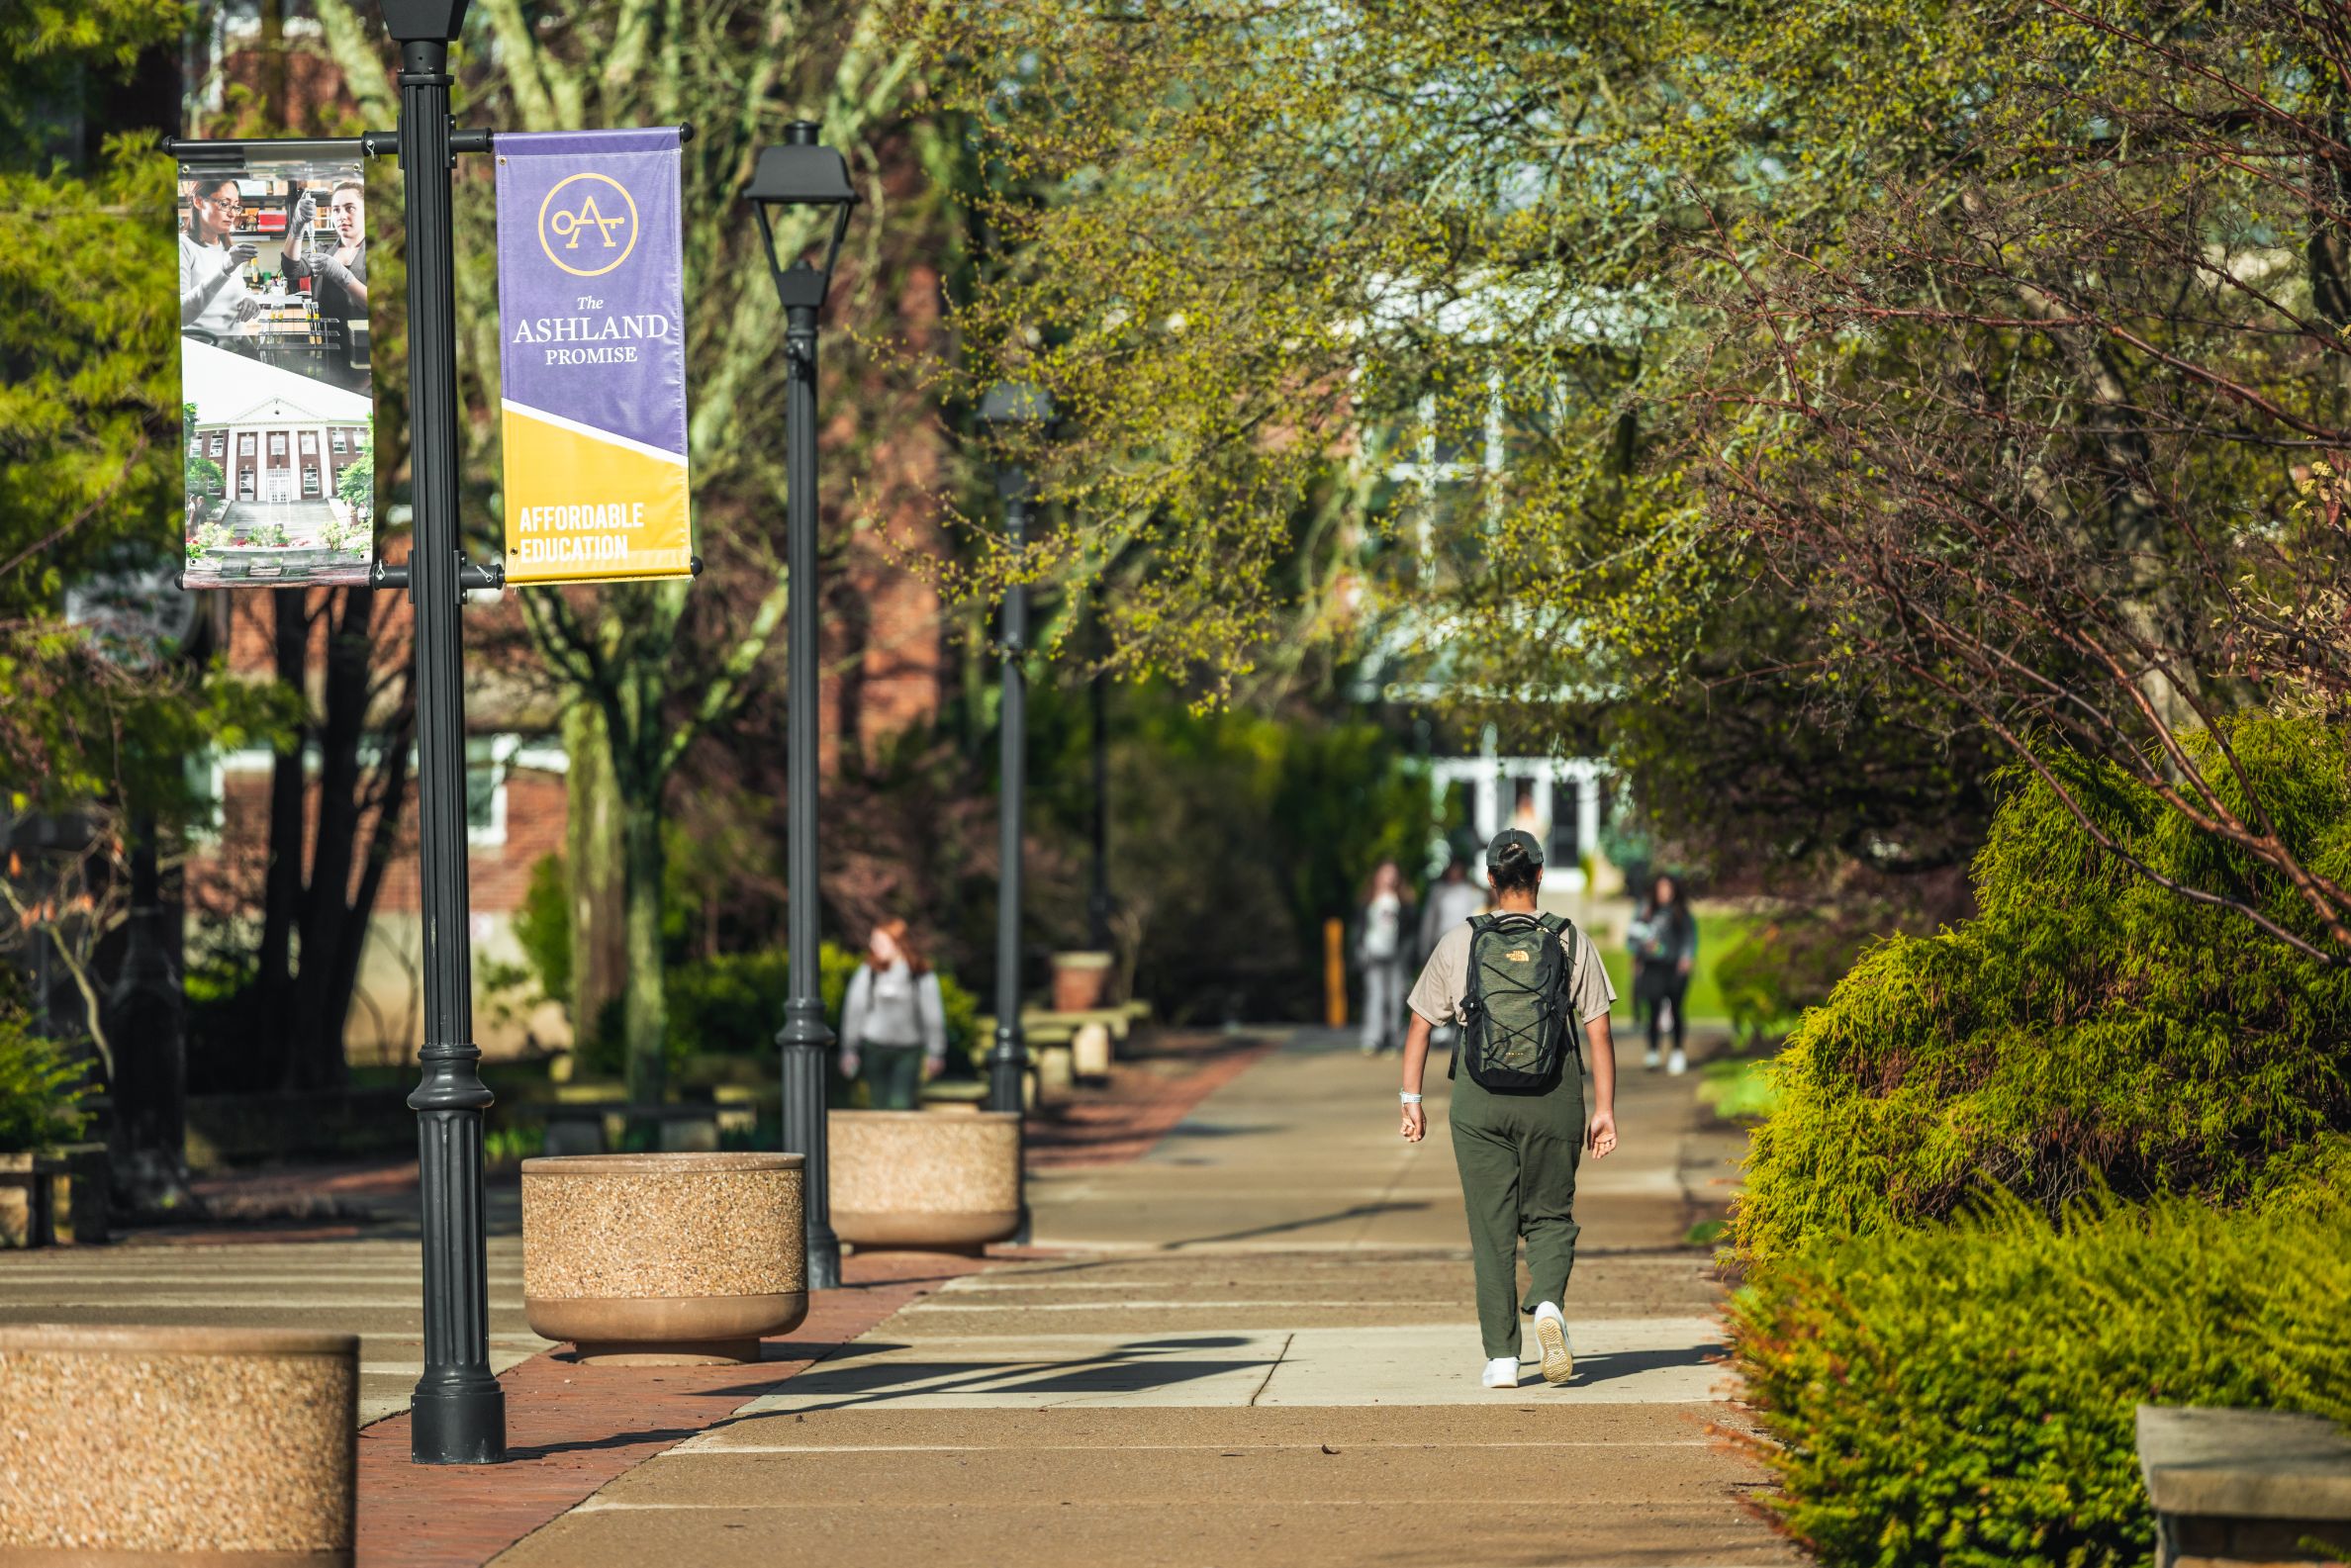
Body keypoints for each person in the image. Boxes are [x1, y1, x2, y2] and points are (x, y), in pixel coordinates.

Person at [1398, 829, 1618, 1390]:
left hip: (1480, 1100)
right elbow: (1598, 1029)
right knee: (1550, 1215)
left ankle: (1501, 1358)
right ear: (1539, 875)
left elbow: (1420, 1024)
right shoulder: (1570, 939)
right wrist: (1605, 1110)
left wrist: (1411, 1100)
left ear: (1491, 879)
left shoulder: (1461, 941)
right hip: (1554, 1096)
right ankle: (1547, 1303)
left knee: (1491, 1229)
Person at [838, 918, 948, 1110]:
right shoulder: (869, 971)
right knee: (877, 1104)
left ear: (898, 943)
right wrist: (849, 1049)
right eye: (873, 941)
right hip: (874, 1048)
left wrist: (935, 1052)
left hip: (908, 1050)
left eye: (880, 942)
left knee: (900, 1105)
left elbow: (933, 1014)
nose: (873, 946)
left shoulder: (919, 973)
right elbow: (855, 1009)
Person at [280, 180, 368, 387]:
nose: (341, 216)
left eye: (350, 208)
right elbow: (291, 269)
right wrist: (297, 226)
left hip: (366, 359)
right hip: (329, 354)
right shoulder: (323, 250)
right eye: (336, 210)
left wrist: (342, 275)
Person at [1628, 874, 1697, 1074]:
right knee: (1653, 1009)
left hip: (1674, 968)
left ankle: (1677, 1051)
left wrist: (1686, 957)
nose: (1665, 892)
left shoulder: (1680, 912)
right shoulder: (1645, 910)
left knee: (1676, 1009)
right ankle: (1653, 1050)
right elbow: (1632, 937)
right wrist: (1641, 950)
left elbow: (1689, 937)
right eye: (1661, 888)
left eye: (1668, 888)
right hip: (1652, 967)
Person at [179, 175, 261, 337]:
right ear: (198, 201)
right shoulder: (183, 245)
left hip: (234, 345)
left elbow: (230, 293)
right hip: (205, 347)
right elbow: (181, 315)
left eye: (235, 206)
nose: (232, 214)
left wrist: (248, 300)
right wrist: (225, 269)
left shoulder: (226, 249)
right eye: (224, 204)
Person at [1354, 860, 1417, 1057]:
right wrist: (1359, 950)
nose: (1390, 878)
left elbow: (1410, 931)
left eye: (1393, 874)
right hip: (1373, 955)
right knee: (1376, 996)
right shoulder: (1368, 900)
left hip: (1396, 956)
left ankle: (1395, 1039)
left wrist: (1408, 956)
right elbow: (1360, 928)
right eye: (1386, 873)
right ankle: (1373, 1039)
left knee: (1396, 998)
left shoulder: (1404, 901)